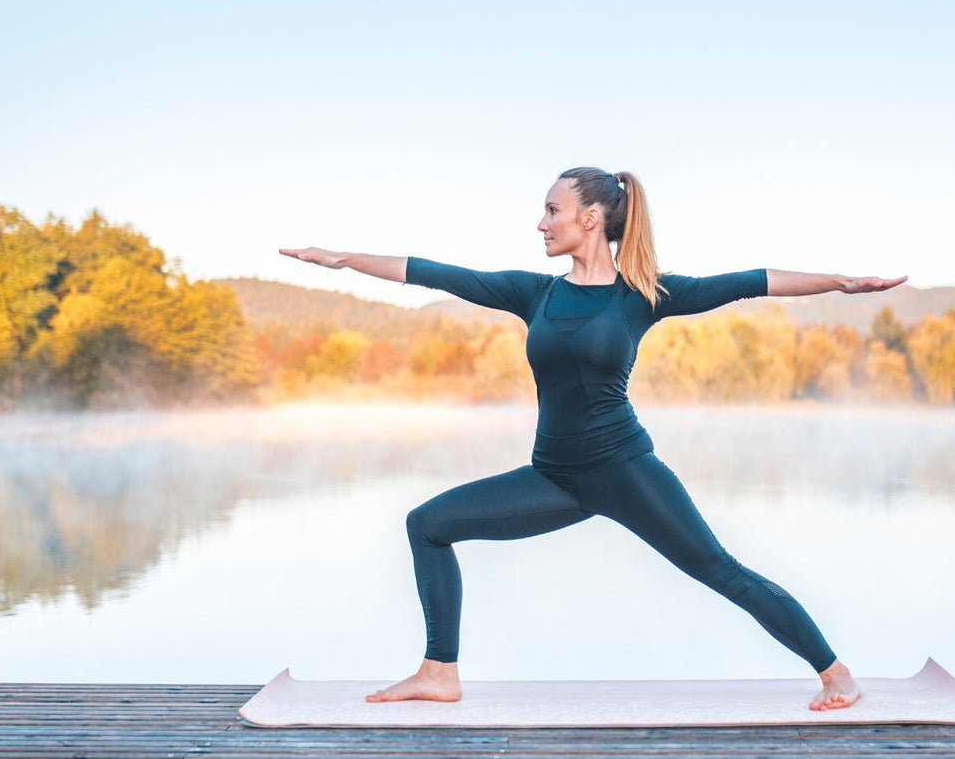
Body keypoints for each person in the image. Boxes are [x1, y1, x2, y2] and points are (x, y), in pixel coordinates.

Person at [278, 167, 906, 711]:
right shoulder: (535, 293)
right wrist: (343, 260)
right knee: (427, 524)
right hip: (553, 478)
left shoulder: (645, 295)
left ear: (592, 215)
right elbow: (434, 273)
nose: (542, 223)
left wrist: (839, 281)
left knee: (721, 571)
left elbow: (752, 280)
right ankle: (439, 673)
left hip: (625, 471)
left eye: (552, 210)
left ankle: (836, 674)